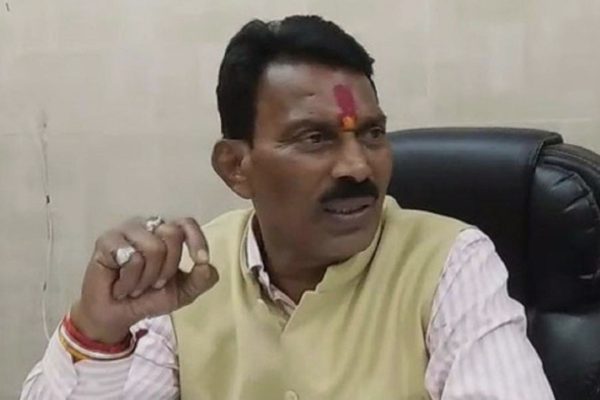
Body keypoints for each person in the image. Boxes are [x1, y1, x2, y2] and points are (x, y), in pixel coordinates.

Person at [21, 15, 555, 399]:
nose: (358, 167)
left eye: (372, 134)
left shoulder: (450, 263)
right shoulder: (185, 279)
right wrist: (98, 332)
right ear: (236, 166)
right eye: (315, 139)